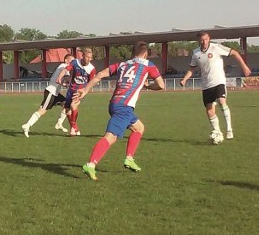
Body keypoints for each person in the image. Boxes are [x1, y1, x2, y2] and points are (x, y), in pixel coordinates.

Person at [76, 41, 165, 180]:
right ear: (146, 53)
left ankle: (129, 158)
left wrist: (85, 90)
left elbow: (99, 74)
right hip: (124, 107)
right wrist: (147, 86)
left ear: (133, 53)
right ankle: (90, 164)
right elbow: (161, 85)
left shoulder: (123, 64)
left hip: (115, 104)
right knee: (111, 137)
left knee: (139, 128)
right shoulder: (148, 65)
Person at [180, 31, 251, 140]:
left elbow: (234, 53)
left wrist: (244, 67)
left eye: (206, 39)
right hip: (206, 85)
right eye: (202, 40)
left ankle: (229, 130)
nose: (204, 42)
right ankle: (217, 131)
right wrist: (185, 79)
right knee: (209, 110)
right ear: (199, 41)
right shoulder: (196, 53)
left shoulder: (216, 47)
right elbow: (191, 68)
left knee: (222, 102)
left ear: (209, 39)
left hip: (219, 81)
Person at [21, 54, 74, 137]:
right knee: (42, 111)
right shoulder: (64, 66)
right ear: (66, 60)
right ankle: (27, 125)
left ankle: (59, 123)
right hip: (51, 92)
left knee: (67, 105)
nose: (72, 63)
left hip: (55, 93)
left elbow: (64, 80)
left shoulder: (64, 67)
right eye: (71, 61)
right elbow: (63, 80)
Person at [55, 47, 96, 136]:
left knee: (74, 106)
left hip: (80, 91)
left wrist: (84, 90)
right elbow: (65, 69)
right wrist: (59, 77)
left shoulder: (91, 69)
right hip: (71, 89)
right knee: (67, 110)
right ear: (82, 56)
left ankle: (73, 129)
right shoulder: (75, 63)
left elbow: (91, 82)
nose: (89, 59)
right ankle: (74, 127)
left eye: (90, 58)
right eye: (87, 57)